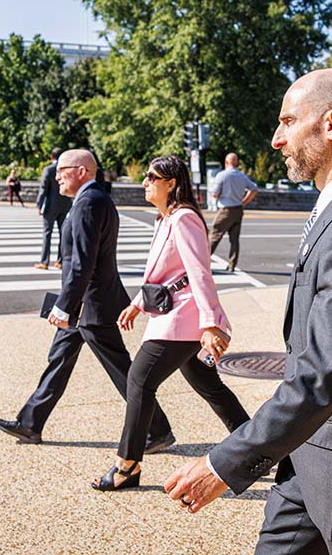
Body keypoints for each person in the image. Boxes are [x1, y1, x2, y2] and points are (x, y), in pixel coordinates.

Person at [165, 68, 332, 554]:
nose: (276, 138)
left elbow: (322, 375)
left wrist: (224, 462)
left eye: (288, 122)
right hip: (307, 456)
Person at [0, 149, 174, 451]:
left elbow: (82, 262)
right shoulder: (92, 199)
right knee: (59, 361)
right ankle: (30, 423)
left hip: (92, 305)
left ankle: (157, 431)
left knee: (122, 371)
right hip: (86, 303)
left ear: (81, 171)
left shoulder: (89, 202)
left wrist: (65, 305)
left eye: (61, 170)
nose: (57, 175)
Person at [92, 155, 251, 491]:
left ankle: (128, 465)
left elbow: (198, 273)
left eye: (152, 177)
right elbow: (168, 273)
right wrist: (137, 304)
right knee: (209, 386)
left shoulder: (184, 219)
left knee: (139, 379)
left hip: (185, 317)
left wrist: (210, 323)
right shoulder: (165, 220)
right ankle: (254, 447)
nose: (145, 182)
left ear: (172, 183)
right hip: (173, 312)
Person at [208, 153, 259, 272]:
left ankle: (203, 262)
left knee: (214, 236)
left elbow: (215, 194)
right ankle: (232, 264)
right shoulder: (242, 176)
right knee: (234, 239)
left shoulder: (222, 175)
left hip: (225, 210)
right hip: (238, 209)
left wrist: (218, 195)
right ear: (236, 163)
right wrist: (244, 202)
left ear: (226, 162)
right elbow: (254, 189)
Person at [35, 148, 71, 270]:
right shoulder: (66, 170)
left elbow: (43, 189)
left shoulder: (48, 170)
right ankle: (61, 261)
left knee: (47, 234)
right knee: (63, 234)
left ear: (51, 157)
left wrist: (39, 205)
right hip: (65, 204)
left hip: (50, 206)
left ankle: (44, 261)